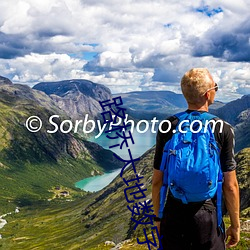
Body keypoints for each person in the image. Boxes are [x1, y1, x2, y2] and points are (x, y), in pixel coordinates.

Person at [152, 68, 240, 250]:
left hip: (174, 212)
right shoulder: (223, 129)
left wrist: (158, 218)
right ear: (208, 94)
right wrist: (235, 225)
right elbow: (230, 185)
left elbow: (157, 181)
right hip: (207, 215)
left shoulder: (168, 125)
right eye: (216, 87)